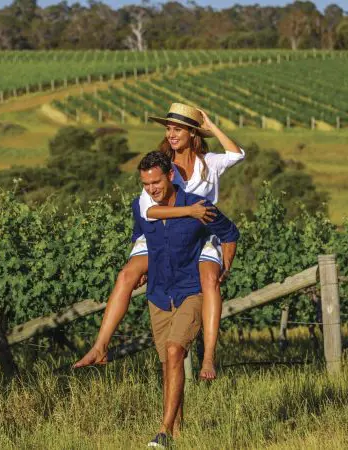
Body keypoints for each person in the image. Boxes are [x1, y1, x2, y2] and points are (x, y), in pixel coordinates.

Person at [75, 151, 239, 447]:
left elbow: (230, 233)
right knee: (168, 365)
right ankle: (176, 434)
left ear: (171, 176)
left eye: (156, 182)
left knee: (176, 351)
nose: (151, 189)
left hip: (191, 289)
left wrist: (224, 267)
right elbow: (140, 236)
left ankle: (162, 432)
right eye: (146, 183)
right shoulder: (142, 208)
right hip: (159, 292)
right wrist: (139, 270)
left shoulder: (197, 206)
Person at [74, 103, 245, 380]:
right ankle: (100, 346)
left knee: (210, 280)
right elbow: (148, 212)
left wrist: (210, 124)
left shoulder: (209, 164)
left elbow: (236, 154)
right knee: (127, 274)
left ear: (192, 133)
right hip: (159, 231)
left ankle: (209, 358)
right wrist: (188, 211)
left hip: (199, 235)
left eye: (177, 129)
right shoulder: (162, 169)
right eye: (168, 129)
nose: (170, 134)